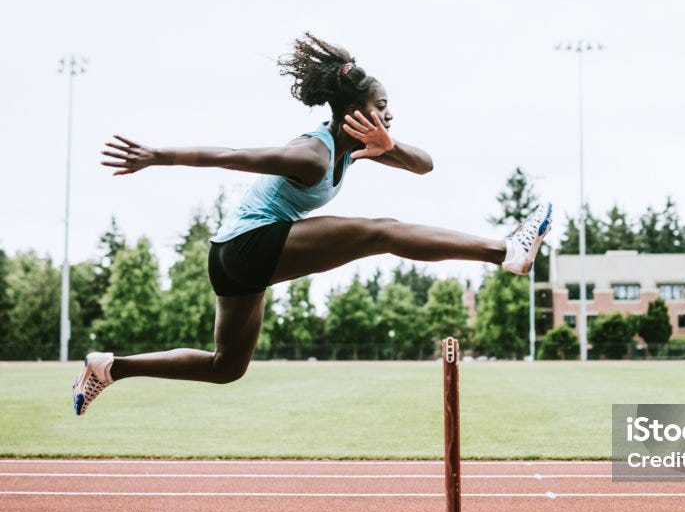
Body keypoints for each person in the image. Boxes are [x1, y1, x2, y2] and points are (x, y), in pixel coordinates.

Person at [72, 32, 551, 416]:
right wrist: (158, 155)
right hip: (247, 245)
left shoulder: (355, 149)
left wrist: (389, 146)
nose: (390, 114)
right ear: (353, 111)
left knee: (226, 367)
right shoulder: (315, 153)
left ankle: (109, 367)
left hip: (233, 258)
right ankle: (505, 250)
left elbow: (425, 165)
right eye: (382, 107)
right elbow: (237, 156)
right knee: (379, 230)